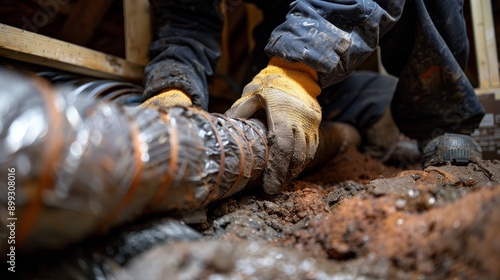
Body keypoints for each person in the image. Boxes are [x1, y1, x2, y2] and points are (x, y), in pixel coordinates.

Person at [142, 0, 485, 194]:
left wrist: (298, 68)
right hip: (290, 14)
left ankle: (443, 119)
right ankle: (349, 112)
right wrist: (175, 82)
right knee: (275, 113)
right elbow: (187, 16)